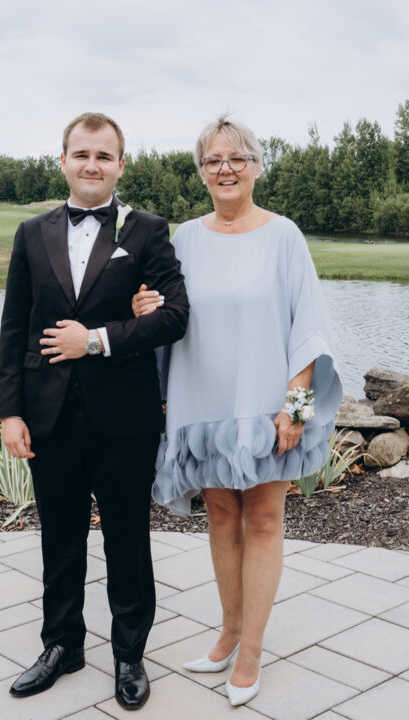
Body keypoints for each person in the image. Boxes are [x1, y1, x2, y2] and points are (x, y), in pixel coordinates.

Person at [132, 115, 342, 707]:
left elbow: (309, 329)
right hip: (202, 404)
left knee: (265, 520)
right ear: (201, 171)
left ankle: (252, 650)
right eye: (213, 160)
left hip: (266, 408)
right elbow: (169, 315)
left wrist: (296, 406)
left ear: (255, 166)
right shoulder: (185, 239)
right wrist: (144, 307)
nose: (225, 169)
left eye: (237, 158)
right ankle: (228, 632)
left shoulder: (284, 237)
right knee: (221, 516)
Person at [0, 112, 189, 710]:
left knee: (128, 541)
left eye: (104, 155)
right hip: (48, 415)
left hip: (125, 418)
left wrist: (98, 339)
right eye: (81, 154)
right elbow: (14, 327)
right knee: (60, 539)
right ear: (63, 161)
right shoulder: (31, 233)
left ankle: (129, 654)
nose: (92, 165)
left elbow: (175, 316)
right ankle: (62, 646)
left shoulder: (148, 230)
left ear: (120, 165)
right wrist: (10, 413)